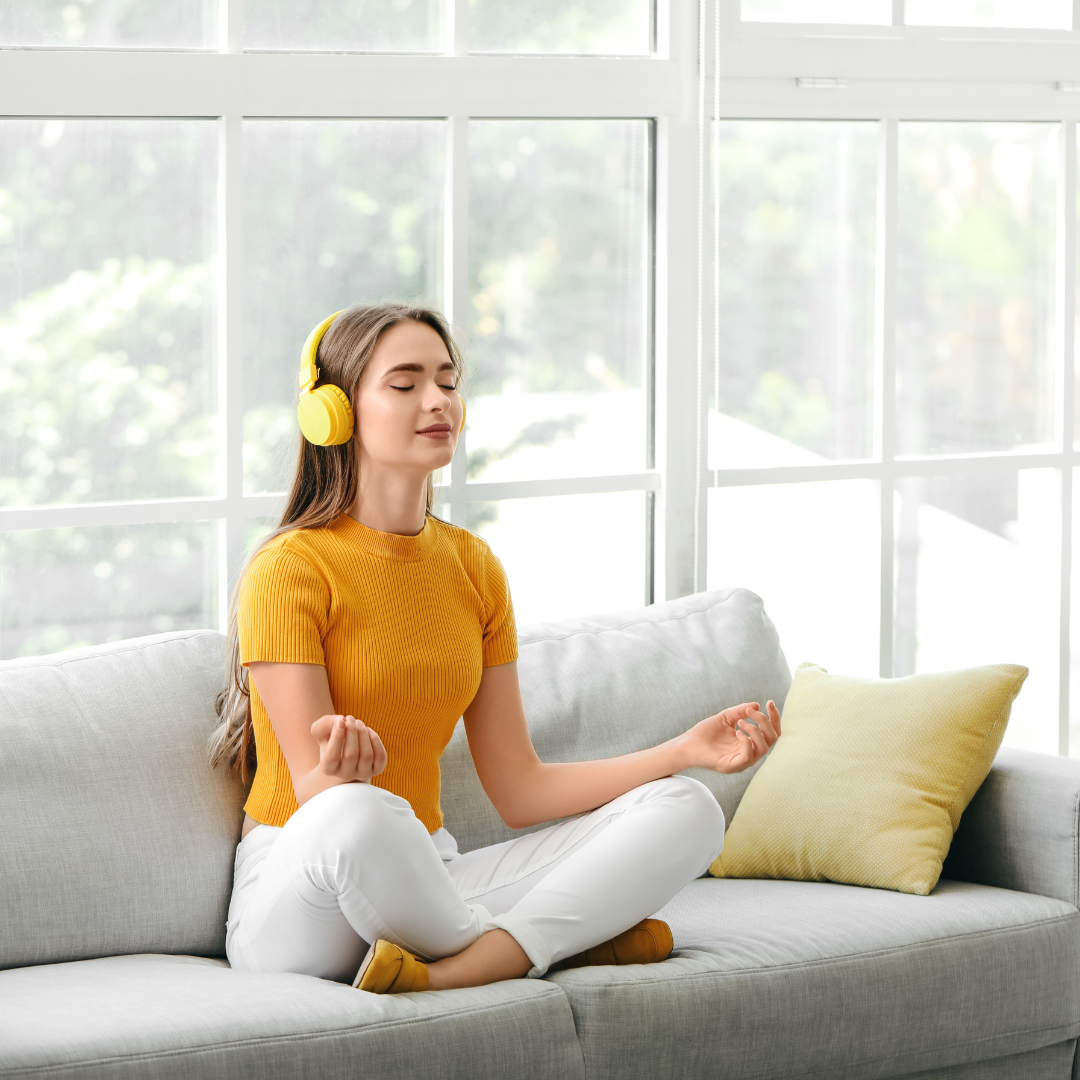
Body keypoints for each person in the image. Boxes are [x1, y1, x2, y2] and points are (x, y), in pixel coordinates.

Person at [210, 302, 781, 994]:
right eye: (406, 383)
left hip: (429, 875)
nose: (438, 401)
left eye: (448, 382)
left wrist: (682, 751)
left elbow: (520, 788)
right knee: (359, 811)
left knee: (687, 807)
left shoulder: (472, 566)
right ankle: (552, 942)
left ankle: (467, 963)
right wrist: (342, 776)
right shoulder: (288, 568)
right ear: (333, 410)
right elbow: (315, 793)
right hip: (301, 892)